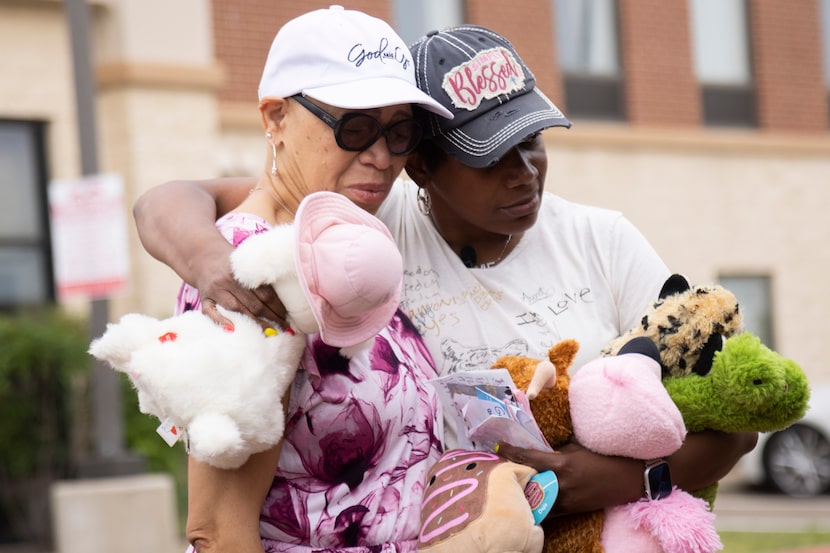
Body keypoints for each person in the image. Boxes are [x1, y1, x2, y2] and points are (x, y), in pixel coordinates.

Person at [135, 21, 757, 530]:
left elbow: (740, 417)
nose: (525, 172)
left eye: (533, 141)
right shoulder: (364, 223)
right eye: (491, 155)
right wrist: (212, 264)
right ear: (424, 167)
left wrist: (613, 480)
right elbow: (174, 199)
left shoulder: (600, 240)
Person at [163, 6, 456, 553]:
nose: (380, 156)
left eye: (400, 132)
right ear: (275, 117)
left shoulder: (340, 238)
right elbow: (218, 531)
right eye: (356, 126)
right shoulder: (255, 273)